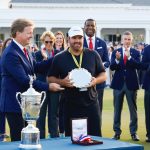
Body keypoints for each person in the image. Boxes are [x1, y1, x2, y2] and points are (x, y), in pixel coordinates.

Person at [0, 18, 64, 141]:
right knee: (19, 140)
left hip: (24, 104)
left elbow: (36, 67)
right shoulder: (11, 54)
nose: (31, 36)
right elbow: (24, 80)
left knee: (26, 139)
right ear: (18, 33)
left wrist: (57, 57)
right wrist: (48, 86)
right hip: (14, 104)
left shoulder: (25, 49)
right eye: (29, 33)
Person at [48, 26, 106, 136]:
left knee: (95, 137)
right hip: (70, 105)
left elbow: (103, 74)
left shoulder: (93, 54)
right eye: (74, 38)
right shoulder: (59, 58)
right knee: (73, 139)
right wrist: (62, 82)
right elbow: (50, 78)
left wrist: (95, 81)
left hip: (91, 103)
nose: (77, 41)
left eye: (80, 37)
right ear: (68, 39)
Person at [110, 31, 140, 141]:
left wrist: (130, 57)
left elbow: (138, 65)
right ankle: (116, 132)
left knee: (133, 110)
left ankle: (133, 133)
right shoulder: (116, 52)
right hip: (118, 84)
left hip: (131, 84)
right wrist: (117, 60)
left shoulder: (136, 52)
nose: (127, 41)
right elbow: (112, 67)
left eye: (129, 39)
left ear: (131, 40)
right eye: (125, 39)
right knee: (117, 110)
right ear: (122, 40)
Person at [83, 18, 109, 136]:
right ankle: (83, 134)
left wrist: (100, 66)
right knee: (83, 109)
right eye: (88, 25)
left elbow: (107, 61)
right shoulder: (79, 41)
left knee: (97, 110)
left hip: (98, 83)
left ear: (95, 27)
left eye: (92, 26)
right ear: (84, 27)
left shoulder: (101, 43)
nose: (90, 27)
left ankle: (96, 134)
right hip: (82, 83)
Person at [35, 30, 59, 138]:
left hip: (55, 87)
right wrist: (45, 59)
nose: (48, 44)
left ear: (54, 41)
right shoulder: (37, 54)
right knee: (41, 115)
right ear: (43, 42)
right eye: (46, 42)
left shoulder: (58, 54)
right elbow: (36, 69)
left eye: (50, 42)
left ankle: (54, 138)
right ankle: (40, 139)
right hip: (41, 87)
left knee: (53, 115)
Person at [0, 37, 12, 141]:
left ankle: (3, 133)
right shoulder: (2, 58)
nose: (9, 45)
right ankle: (2, 133)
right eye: (8, 44)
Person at [141, 44, 150, 142]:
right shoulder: (147, 49)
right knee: (149, 111)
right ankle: (149, 134)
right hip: (149, 86)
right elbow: (142, 65)